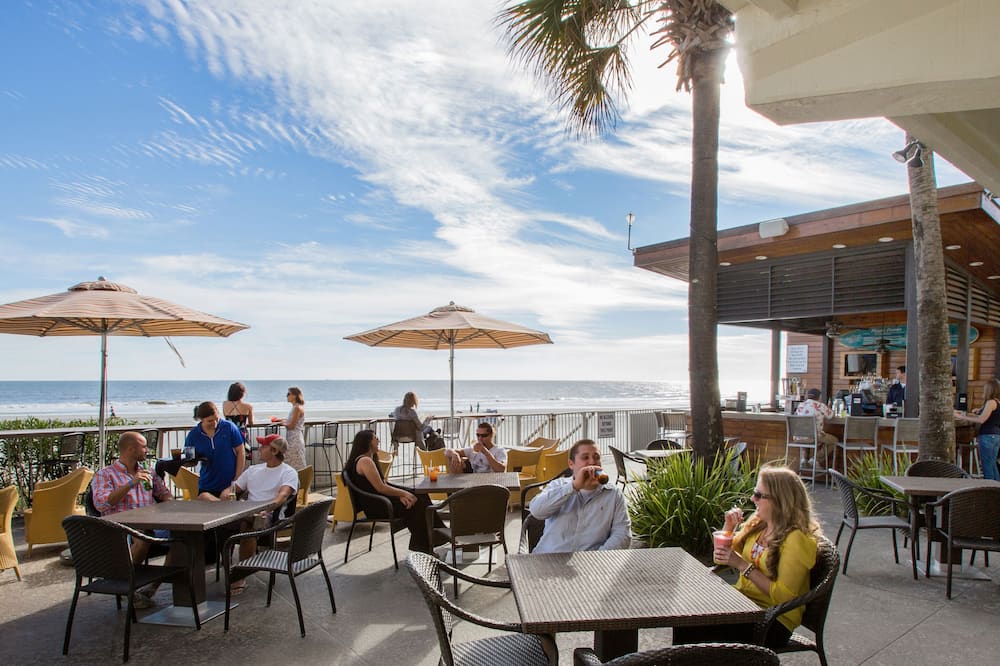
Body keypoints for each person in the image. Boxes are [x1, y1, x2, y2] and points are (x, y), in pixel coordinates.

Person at [676, 466, 823, 648]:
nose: (753, 499)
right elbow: (722, 559)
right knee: (686, 615)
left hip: (771, 622)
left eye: (760, 495)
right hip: (744, 606)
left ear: (780, 500)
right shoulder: (759, 523)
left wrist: (743, 565)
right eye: (755, 493)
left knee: (692, 625)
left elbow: (785, 597)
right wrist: (729, 527)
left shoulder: (796, 539)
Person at [92, 431, 172, 609]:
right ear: (130, 449)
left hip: (152, 524)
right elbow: (101, 504)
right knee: (142, 539)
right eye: (143, 446)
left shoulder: (148, 471)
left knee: (185, 537)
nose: (147, 450)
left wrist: (168, 501)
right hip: (122, 527)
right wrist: (130, 484)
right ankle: (126, 585)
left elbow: (163, 493)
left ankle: (152, 587)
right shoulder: (105, 475)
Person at [215, 434, 299, 592]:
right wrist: (226, 494)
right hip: (244, 511)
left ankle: (241, 575)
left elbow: (281, 497)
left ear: (274, 451)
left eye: (263, 446)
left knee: (249, 523)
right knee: (205, 499)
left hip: (268, 516)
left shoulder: (288, 473)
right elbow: (234, 489)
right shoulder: (253, 470)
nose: (259, 449)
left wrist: (263, 509)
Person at [344, 429, 444, 554]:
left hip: (381, 501)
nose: (378, 440)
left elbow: (383, 484)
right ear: (368, 442)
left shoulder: (366, 459)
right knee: (417, 504)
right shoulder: (365, 461)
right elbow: (381, 487)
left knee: (420, 494)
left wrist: (403, 494)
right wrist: (403, 494)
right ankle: (429, 542)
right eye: (376, 438)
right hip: (378, 506)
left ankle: (430, 541)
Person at [528, 439, 630, 553]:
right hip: (548, 557)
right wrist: (574, 486)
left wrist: (598, 559)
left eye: (596, 457)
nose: (592, 462)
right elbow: (536, 511)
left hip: (591, 562)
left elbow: (622, 534)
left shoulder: (614, 494)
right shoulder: (557, 485)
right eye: (585, 457)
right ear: (571, 464)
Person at [186, 401, 246, 498]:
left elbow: (241, 452)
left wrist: (237, 478)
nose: (214, 423)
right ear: (202, 420)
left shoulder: (229, 427)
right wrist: (182, 462)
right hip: (207, 484)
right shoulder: (193, 435)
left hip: (229, 484)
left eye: (216, 419)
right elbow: (190, 460)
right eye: (210, 421)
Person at [954, 377, 1000, 481]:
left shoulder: (991, 402)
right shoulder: (997, 402)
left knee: (987, 466)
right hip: (996, 436)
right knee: (993, 465)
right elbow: (989, 416)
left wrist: (961, 417)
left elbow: (981, 420)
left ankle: (989, 491)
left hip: (988, 436)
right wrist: (978, 411)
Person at [794, 388, 837, 470]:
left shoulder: (800, 405)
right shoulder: (820, 406)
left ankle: (804, 460)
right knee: (834, 441)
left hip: (798, 437)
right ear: (818, 397)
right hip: (814, 436)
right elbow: (831, 415)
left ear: (808, 396)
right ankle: (816, 459)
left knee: (806, 435)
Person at [277, 386, 306, 470]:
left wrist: (282, 423)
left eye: (288, 394)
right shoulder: (295, 407)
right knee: (294, 462)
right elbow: (293, 421)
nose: (287, 396)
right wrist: (282, 420)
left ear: (294, 395)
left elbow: (291, 426)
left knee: (294, 463)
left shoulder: (297, 408)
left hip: (294, 439)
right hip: (293, 437)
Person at [223, 381, 254, 451]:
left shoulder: (225, 404)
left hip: (229, 433)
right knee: (243, 454)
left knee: (231, 455)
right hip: (242, 433)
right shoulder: (248, 406)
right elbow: (251, 423)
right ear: (242, 394)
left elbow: (226, 418)